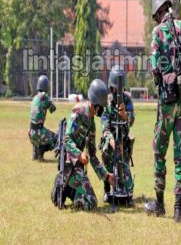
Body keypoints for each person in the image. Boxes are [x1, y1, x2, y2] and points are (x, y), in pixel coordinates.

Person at [144, 0, 181, 222]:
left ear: (158, 11)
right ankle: (178, 210)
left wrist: (161, 80)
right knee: (180, 158)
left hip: (166, 104)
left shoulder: (157, 33)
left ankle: (159, 204)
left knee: (159, 152)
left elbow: (155, 67)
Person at [51, 79, 114, 210]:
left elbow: (93, 156)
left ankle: (69, 188)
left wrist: (107, 176)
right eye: (102, 106)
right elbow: (66, 139)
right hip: (69, 162)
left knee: (91, 202)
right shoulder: (79, 111)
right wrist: (79, 155)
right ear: (95, 104)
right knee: (90, 203)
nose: (103, 109)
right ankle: (64, 186)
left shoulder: (91, 124)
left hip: (77, 165)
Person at [100, 65, 135, 203]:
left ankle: (122, 186)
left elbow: (132, 120)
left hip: (123, 146)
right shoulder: (106, 101)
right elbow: (105, 127)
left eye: (119, 88)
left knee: (128, 188)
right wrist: (112, 142)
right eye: (115, 88)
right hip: (111, 145)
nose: (117, 91)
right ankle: (107, 188)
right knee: (106, 152)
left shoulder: (127, 100)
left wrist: (125, 116)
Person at [28, 75, 57, 162]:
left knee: (41, 131)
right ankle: (40, 154)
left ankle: (35, 153)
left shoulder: (35, 97)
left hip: (31, 132)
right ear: (46, 86)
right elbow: (53, 109)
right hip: (39, 133)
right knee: (56, 138)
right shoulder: (44, 96)